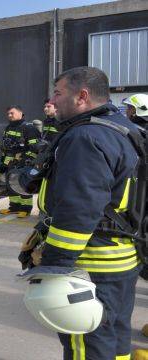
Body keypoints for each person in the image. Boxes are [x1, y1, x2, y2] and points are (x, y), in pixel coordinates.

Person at [26, 66, 142, 360]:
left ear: (82, 96)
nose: (52, 101)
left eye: (58, 93)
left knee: (86, 343)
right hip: (123, 257)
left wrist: (54, 265)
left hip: (89, 263)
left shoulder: (86, 137)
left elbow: (79, 209)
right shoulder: (125, 129)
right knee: (114, 332)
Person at [0, 105, 41, 218]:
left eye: (12, 113)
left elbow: (35, 148)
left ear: (20, 113)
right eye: (8, 114)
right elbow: (6, 147)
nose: (9, 115)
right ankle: (14, 207)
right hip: (10, 162)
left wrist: (25, 161)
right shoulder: (8, 128)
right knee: (11, 185)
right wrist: (3, 163)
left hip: (23, 162)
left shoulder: (29, 128)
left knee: (22, 185)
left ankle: (26, 209)